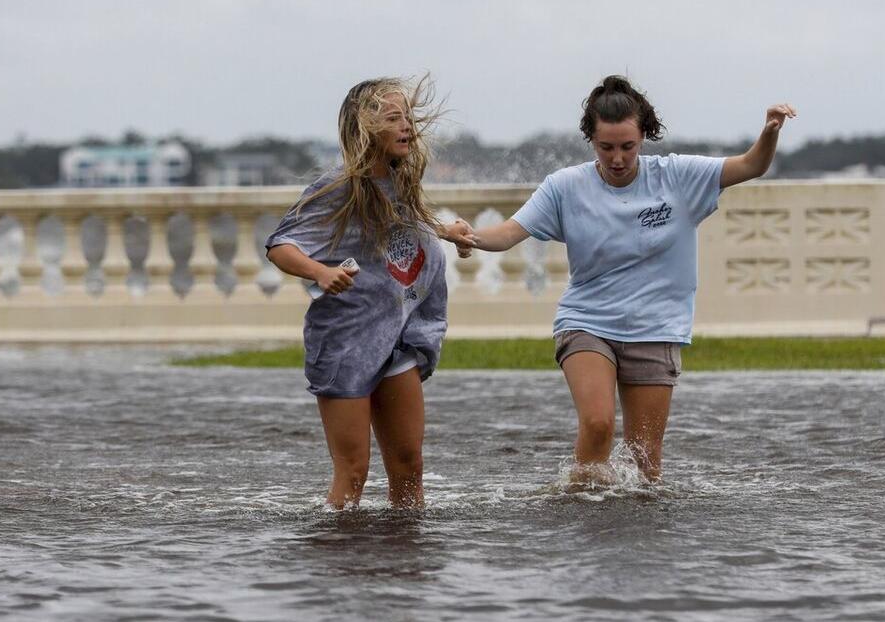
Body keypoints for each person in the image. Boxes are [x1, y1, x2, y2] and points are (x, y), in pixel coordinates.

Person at [465, 75, 795, 483]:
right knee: (599, 423)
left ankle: (637, 541)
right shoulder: (565, 187)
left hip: (656, 327)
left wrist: (769, 133)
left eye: (627, 147)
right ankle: (580, 508)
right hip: (587, 322)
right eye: (606, 148)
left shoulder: (677, 177)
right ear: (591, 140)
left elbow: (751, 165)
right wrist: (472, 237)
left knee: (645, 460)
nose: (617, 158)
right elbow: (511, 232)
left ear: (644, 137)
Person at [264, 76, 474, 509]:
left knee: (409, 466)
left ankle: (405, 564)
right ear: (365, 128)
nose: (407, 128)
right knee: (354, 471)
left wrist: (445, 231)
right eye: (393, 118)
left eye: (408, 118)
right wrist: (319, 272)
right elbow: (280, 245)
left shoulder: (401, 183)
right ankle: (341, 564)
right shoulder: (337, 187)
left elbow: (404, 223)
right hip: (345, 344)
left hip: (396, 340)